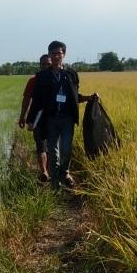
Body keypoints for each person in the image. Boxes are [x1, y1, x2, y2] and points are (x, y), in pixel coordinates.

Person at [26, 40, 98, 190]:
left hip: (67, 118)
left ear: (64, 54)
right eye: (53, 53)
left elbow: (74, 96)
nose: (56, 56)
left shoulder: (71, 74)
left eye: (59, 53)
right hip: (50, 119)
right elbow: (37, 100)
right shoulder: (43, 76)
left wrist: (89, 98)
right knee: (53, 150)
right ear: (49, 56)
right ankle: (55, 183)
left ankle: (64, 172)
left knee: (66, 149)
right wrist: (31, 120)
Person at [18, 54, 52, 181]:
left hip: (54, 117)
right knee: (41, 144)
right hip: (37, 117)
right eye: (43, 64)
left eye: (48, 64)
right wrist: (22, 116)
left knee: (48, 145)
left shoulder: (57, 78)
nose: (46, 67)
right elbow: (26, 99)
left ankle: (45, 171)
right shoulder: (33, 80)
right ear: (39, 66)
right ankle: (44, 171)